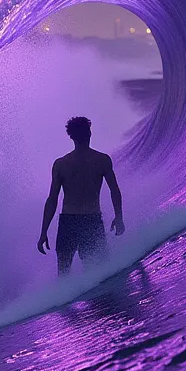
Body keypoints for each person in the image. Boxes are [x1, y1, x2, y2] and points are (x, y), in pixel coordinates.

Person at [37, 116, 125, 276]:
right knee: (100, 274)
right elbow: (114, 190)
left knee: (63, 275)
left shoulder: (61, 164)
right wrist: (118, 217)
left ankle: (62, 301)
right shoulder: (102, 160)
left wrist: (43, 232)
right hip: (91, 221)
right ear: (90, 133)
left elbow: (52, 199)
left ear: (71, 136)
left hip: (68, 222)